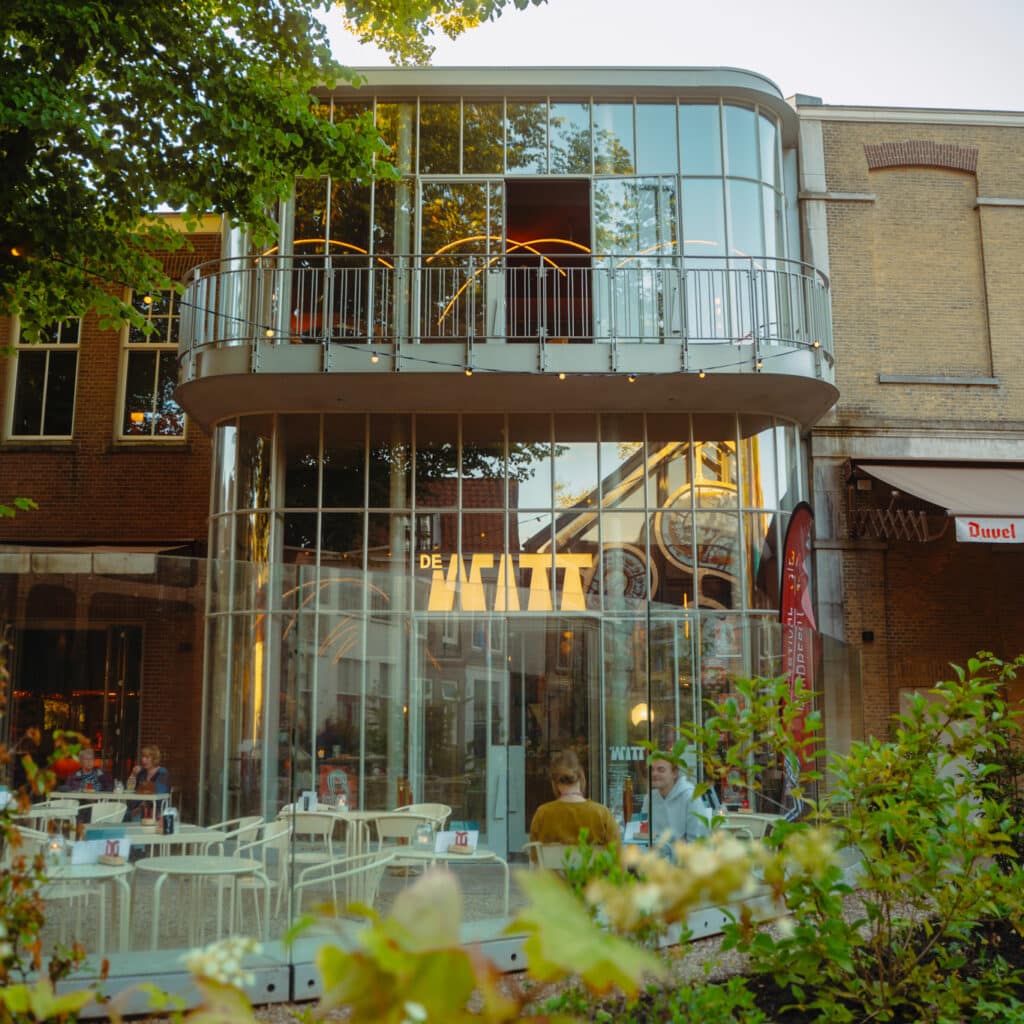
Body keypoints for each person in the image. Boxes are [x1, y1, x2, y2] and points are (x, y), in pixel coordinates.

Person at [529, 751, 620, 847]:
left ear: (554, 782)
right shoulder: (602, 814)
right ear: (581, 776)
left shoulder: (542, 814)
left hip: (552, 863)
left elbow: (535, 857)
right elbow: (617, 856)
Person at [646, 758, 712, 847]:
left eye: (661, 770)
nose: (654, 774)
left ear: (674, 773)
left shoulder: (690, 797)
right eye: (652, 769)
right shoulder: (649, 798)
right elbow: (643, 835)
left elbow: (698, 840)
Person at [127, 744, 170, 820]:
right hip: (137, 808)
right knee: (122, 815)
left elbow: (158, 792)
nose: (143, 760)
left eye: (147, 757)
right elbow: (130, 789)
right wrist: (133, 774)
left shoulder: (162, 772)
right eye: (143, 757)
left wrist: (140, 808)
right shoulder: (142, 772)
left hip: (155, 809)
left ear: (154, 759)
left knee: (134, 818)